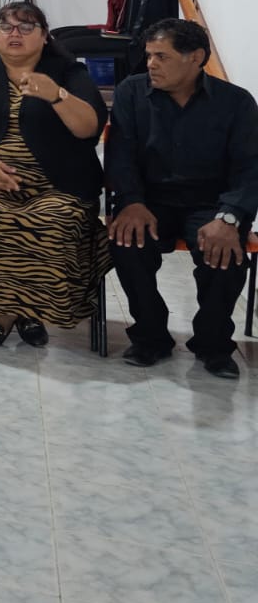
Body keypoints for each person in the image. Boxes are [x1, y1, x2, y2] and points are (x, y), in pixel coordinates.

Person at [0, 2, 110, 350]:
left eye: (26, 26)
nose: (14, 33)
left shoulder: (68, 72)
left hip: (57, 185)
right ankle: (7, 312)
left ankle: (27, 310)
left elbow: (89, 128)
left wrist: (57, 96)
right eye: (6, 26)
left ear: (45, 36)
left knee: (55, 222)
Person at [107, 19, 258, 378]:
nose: (151, 64)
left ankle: (213, 343)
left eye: (162, 56)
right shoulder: (131, 92)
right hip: (148, 200)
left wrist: (229, 217)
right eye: (148, 55)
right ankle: (150, 336)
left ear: (196, 58)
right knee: (126, 244)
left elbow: (250, 167)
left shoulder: (235, 102)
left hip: (212, 204)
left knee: (225, 257)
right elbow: (120, 154)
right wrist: (130, 201)